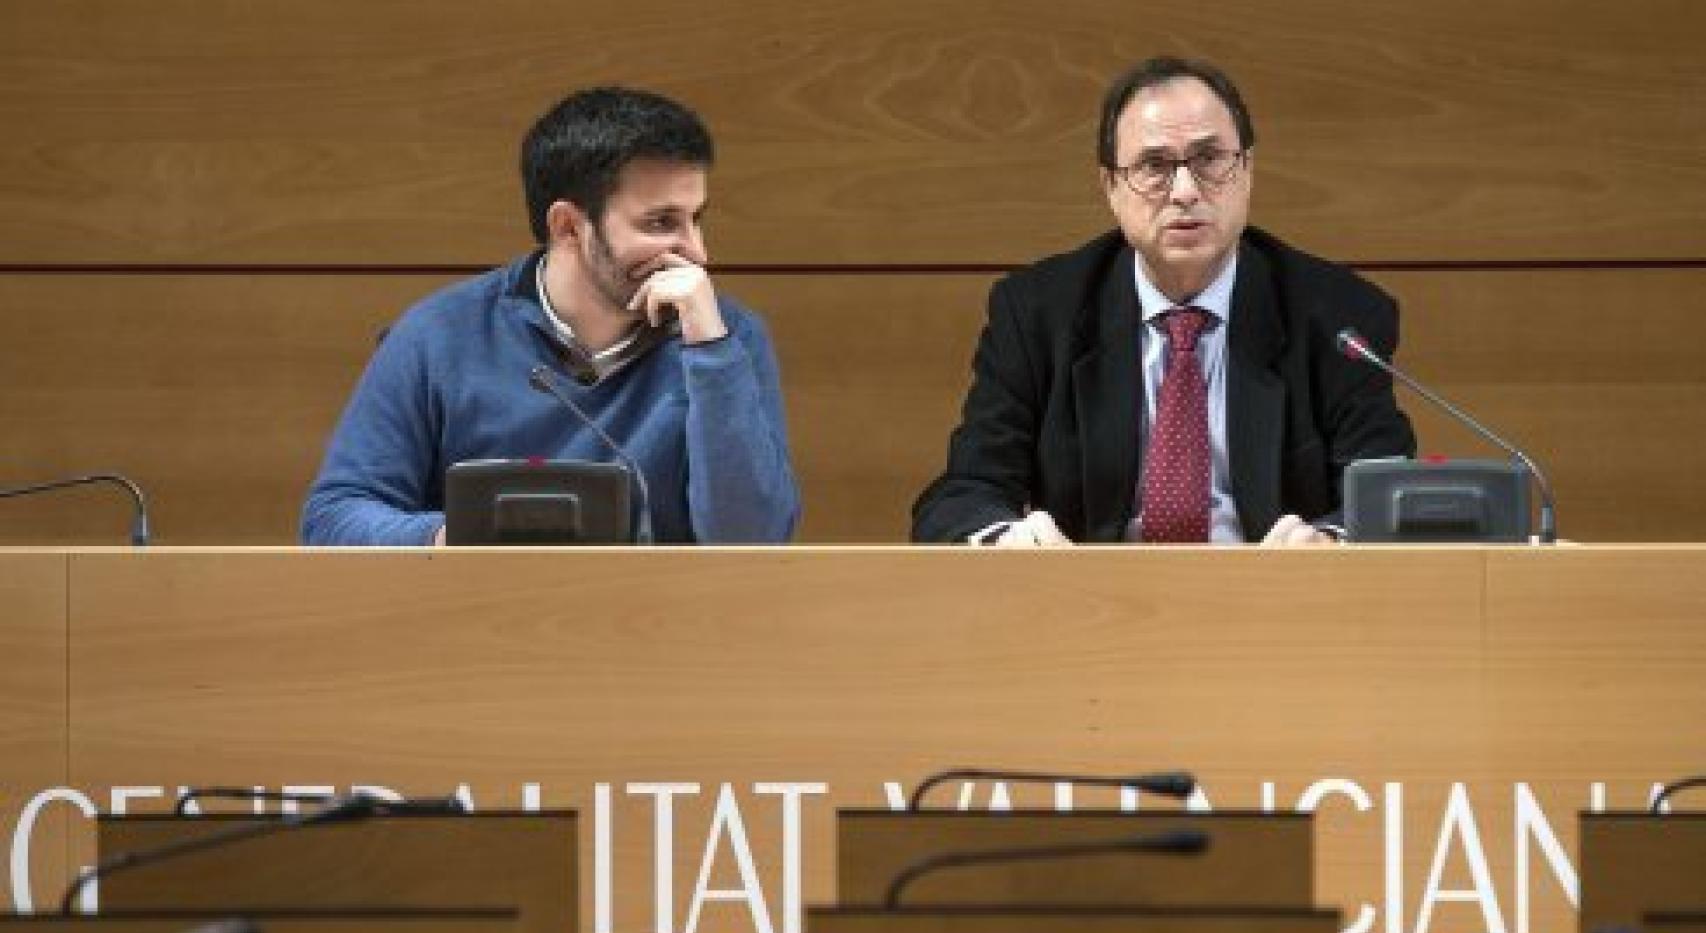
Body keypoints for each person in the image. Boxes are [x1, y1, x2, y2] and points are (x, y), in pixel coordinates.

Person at [912, 56, 1414, 547]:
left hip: (1274, 605)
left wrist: (1331, 541)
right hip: (1092, 608)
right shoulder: (1040, 313)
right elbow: (963, 496)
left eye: (1209, 160)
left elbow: (1385, 496)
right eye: (1155, 166)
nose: (1185, 191)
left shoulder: (1337, 314)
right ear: (1111, 186)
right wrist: (1008, 542)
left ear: (1248, 171)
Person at [303, 87, 799, 545]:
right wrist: (461, 537)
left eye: (697, 219)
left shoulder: (724, 337)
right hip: (479, 623)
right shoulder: (438, 335)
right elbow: (333, 518)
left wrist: (710, 353)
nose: (697, 253)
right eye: (661, 223)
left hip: (665, 626)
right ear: (567, 226)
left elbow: (753, 542)